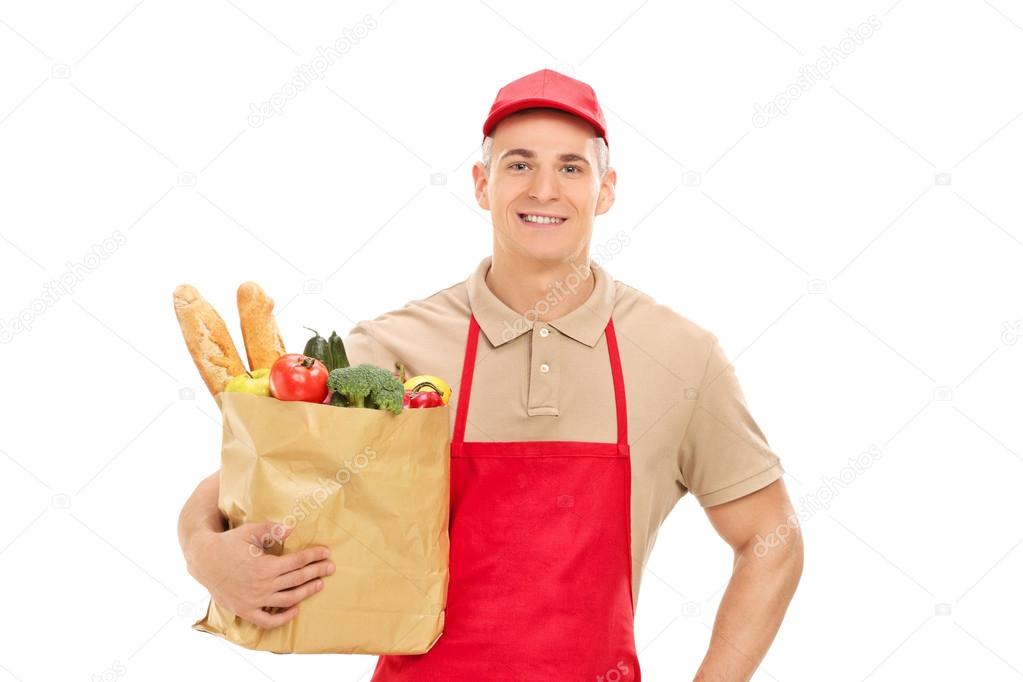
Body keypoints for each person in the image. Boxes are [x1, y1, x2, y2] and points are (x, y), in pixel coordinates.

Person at [178, 68, 803, 680]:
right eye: (519, 164)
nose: (544, 190)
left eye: (571, 167)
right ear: (482, 184)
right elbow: (258, 473)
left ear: (606, 190)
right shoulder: (395, 349)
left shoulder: (679, 356)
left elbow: (772, 537)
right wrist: (205, 554)